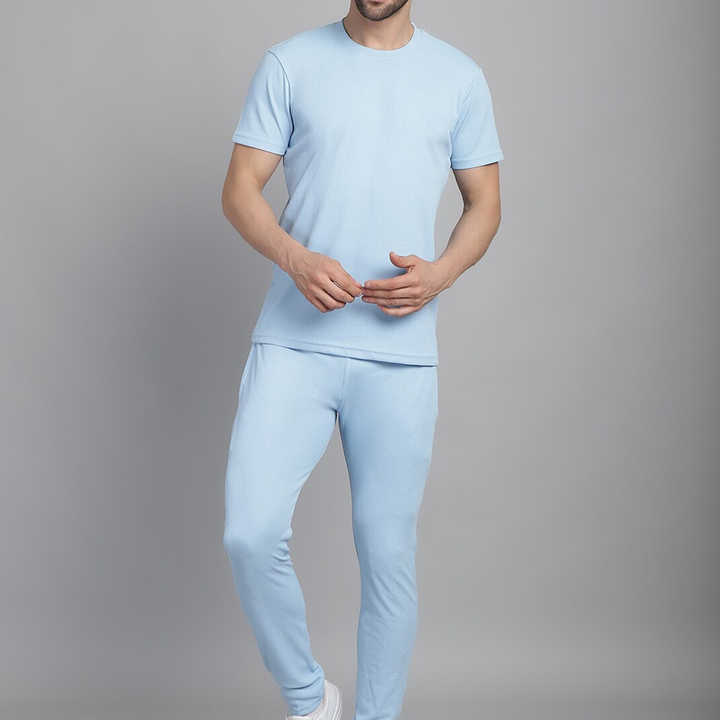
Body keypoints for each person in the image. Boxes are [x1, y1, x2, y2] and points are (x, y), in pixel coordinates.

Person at [220, 2, 503, 718]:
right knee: (250, 533)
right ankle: (309, 698)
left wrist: (440, 275)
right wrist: (295, 258)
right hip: (295, 344)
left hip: (398, 357)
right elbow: (240, 189)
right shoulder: (290, 64)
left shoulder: (459, 78)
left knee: (387, 558)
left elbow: (485, 203)